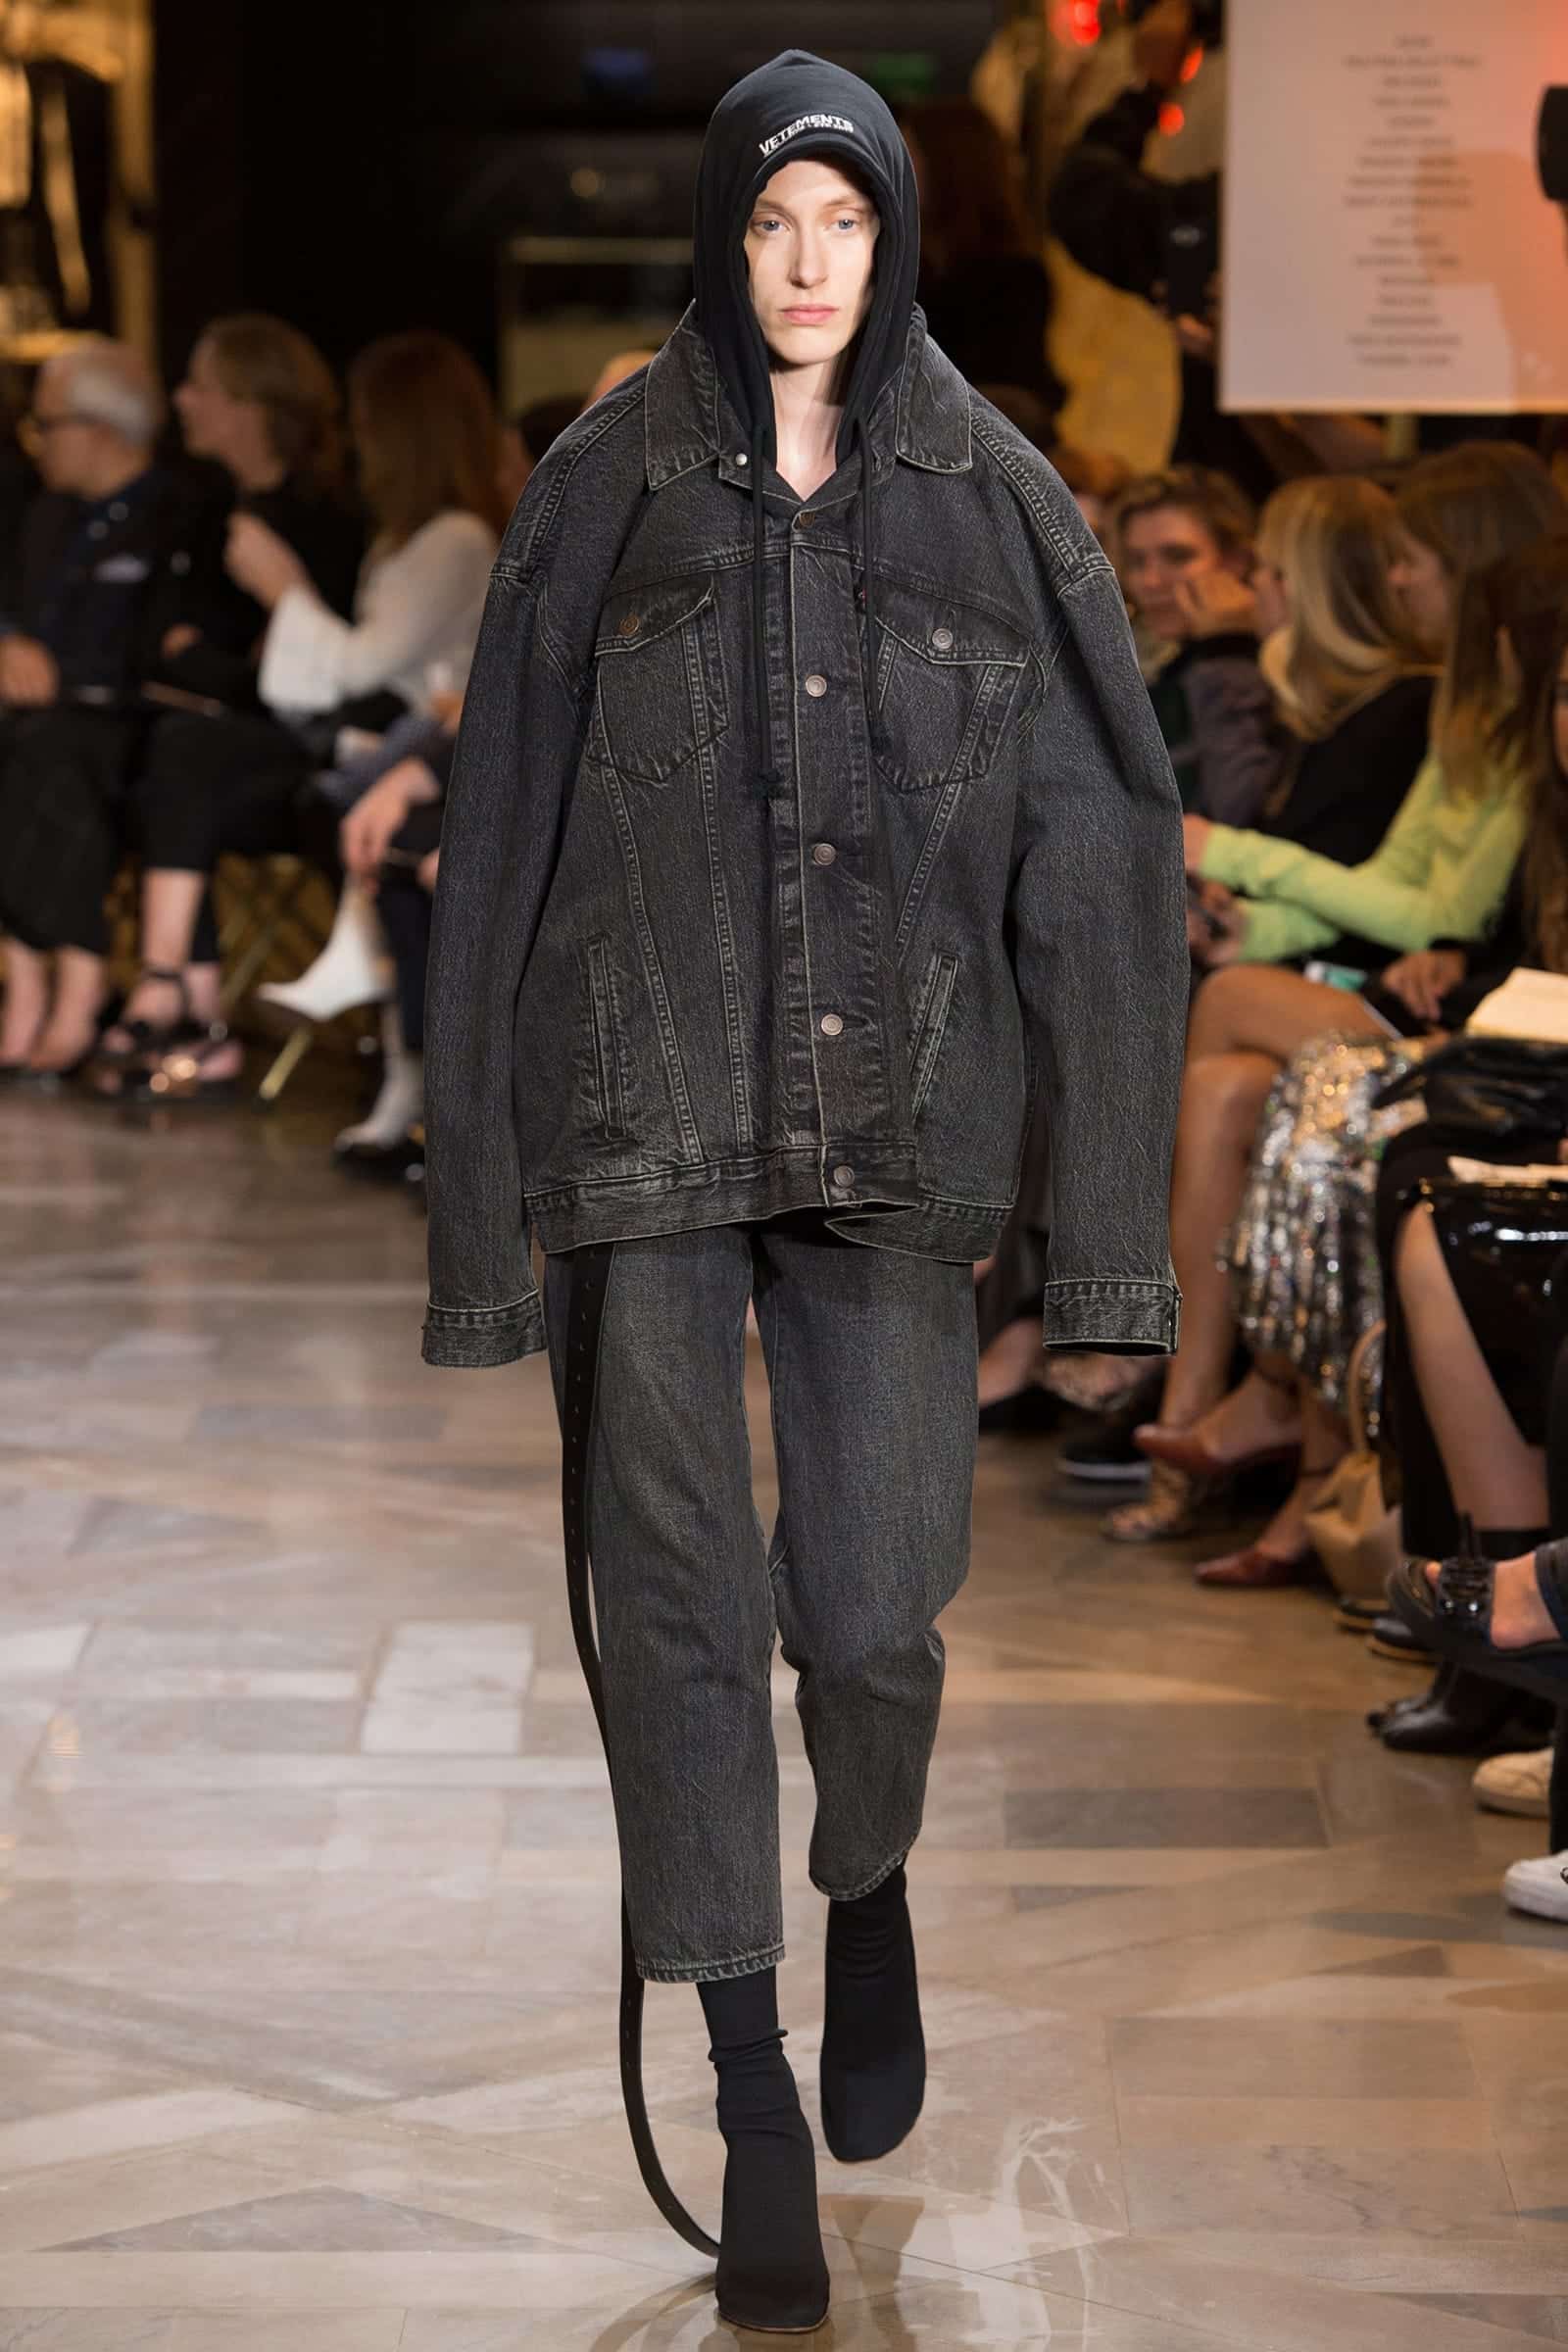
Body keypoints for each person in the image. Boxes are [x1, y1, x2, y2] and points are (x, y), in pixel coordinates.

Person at [419, 49, 1187, 2334]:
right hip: (641, 1110)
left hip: (901, 1125)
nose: (803, 262)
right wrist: (479, 1223)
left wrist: (1105, 1244)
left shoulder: (995, 499)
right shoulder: (603, 486)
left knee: (867, 1608)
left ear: (894, 236)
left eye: (840, 220)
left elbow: (1108, 864)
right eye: (769, 220)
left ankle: (867, 1872)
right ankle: (748, 2087)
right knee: (671, 1603)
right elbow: (496, 842)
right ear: (719, 232)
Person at [1108, 519, 1568, 1550]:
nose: (1400, 576)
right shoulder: (1461, 720)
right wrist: (1251, 919)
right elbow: (1402, 895)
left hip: (1471, 1022)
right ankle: (1212, 1409)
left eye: (1272, 570)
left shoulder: (1445, 719)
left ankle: (1239, 1408)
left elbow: (1431, 915)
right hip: (1444, 997)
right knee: (1224, 1083)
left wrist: (1233, 855)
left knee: (1263, 1044)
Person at [97, 330, 504, 1100]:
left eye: (366, 421)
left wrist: (282, 587)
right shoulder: (401, 539)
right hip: (361, 744)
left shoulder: (453, 539)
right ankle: (187, 997)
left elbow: (358, 666)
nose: (353, 438)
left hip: (404, 751)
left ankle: (179, 992)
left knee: (189, 757)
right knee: (173, 763)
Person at [0, 339, 226, 1079]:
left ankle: (76, 976)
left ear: (99, 429)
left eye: (46, 424)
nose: (36, 440)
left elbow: (172, 649)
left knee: (49, 752)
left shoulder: (180, 514)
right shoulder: (43, 517)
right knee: (31, 741)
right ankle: (27, 975)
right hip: (49, 722)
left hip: (138, 728)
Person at [1112, 465, 1270, 818]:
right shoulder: (1137, 660)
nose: (1150, 581)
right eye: (1136, 562)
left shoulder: (1269, 668)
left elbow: (1238, 808)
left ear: (1236, 561)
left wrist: (1227, 649)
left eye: (1177, 556)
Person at [902, 96, 1064, 424]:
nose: (894, 171)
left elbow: (1004, 401)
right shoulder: (903, 268)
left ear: (947, 167)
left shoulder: (1013, 282)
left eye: (908, 157)